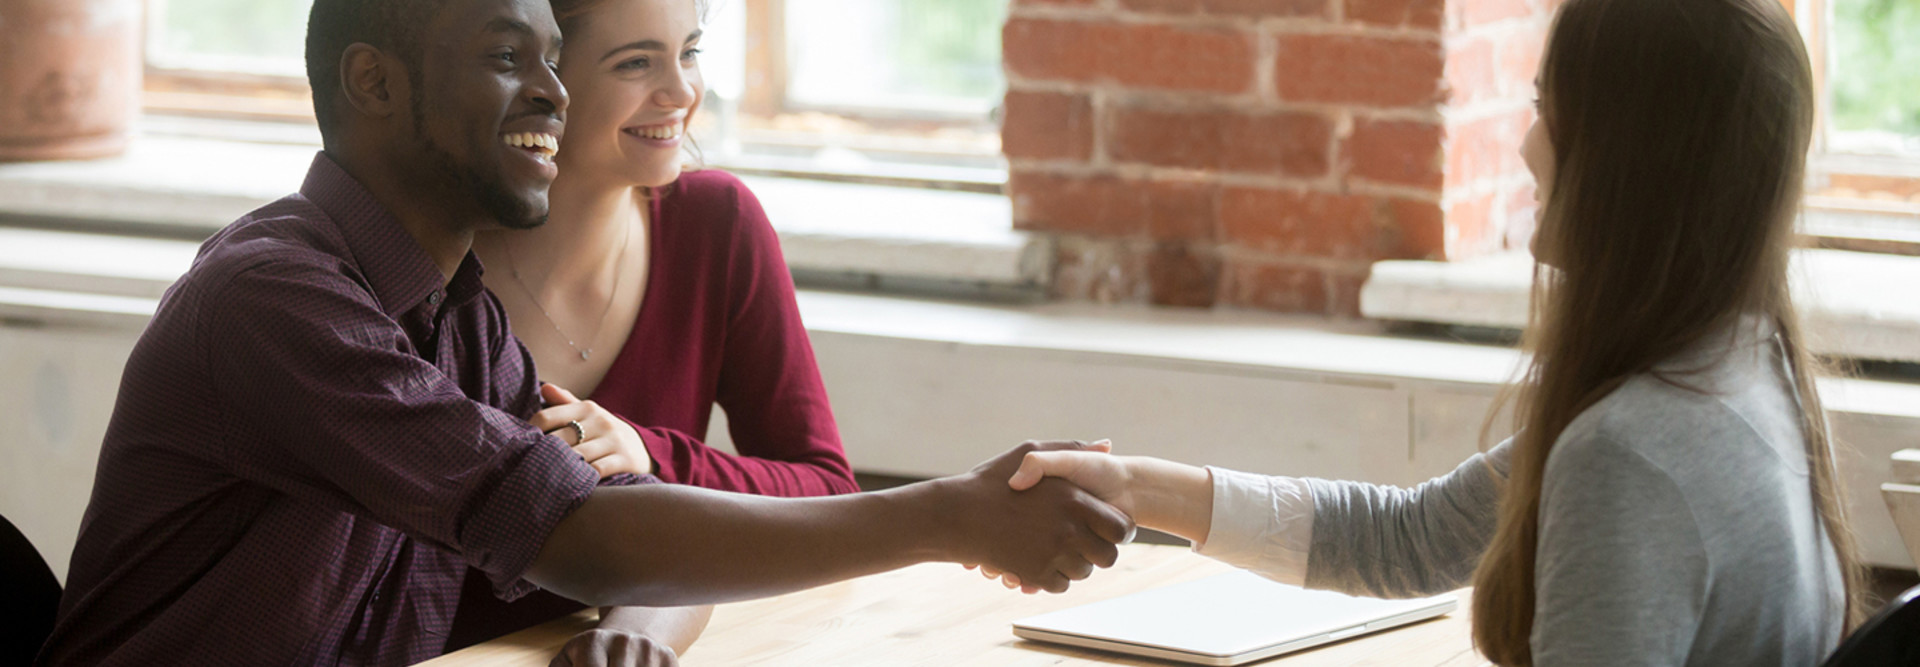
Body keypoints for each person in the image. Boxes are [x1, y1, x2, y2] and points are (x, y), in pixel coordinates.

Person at [34, 0, 1128, 665]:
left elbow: (631, 520)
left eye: (558, 57)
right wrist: (948, 514)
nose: (554, 93)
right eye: (510, 55)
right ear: (373, 81)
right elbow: (576, 534)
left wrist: (650, 613)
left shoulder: (453, 315)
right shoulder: (277, 301)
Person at [998, 0, 1864, 663]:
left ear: (1630, 156)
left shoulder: (1631, 453)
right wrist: (1134, 488)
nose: (1527, 146)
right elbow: (1409, 537)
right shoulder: (1741, 365)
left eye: (1548, 107)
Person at [451, 0, 858, 647]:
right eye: (636, 62)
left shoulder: (718, 225)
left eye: (689, 53)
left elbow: (825, 487)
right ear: (539, 80)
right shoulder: (431, 255)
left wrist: (651, 454)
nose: (683, 92)